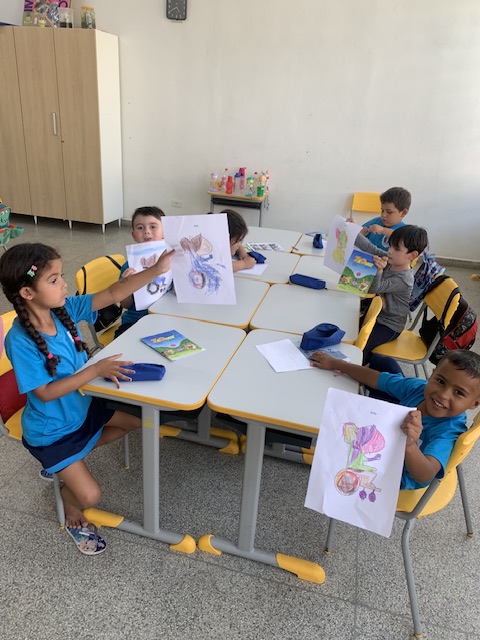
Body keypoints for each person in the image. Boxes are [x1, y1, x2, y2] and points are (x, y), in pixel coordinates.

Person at [0, 242, 173, 554]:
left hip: (83, 408)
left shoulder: (62, 309)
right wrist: (95, 370)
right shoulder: (20, 340)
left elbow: (113, 292)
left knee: (136, 421)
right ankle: (67, 491)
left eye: (62, 276)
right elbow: (45, 393)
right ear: (27, 292)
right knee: (90, 497)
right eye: (54, 280)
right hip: (52, 431)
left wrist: (156, 270)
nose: (64, 284)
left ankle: (66, 463)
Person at [310, 349, 480, 490]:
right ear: (432, 374)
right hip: (385, 446)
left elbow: (425, 475)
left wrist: (410, 446)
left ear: (475, 403)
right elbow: (378, 379)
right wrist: (337, 364)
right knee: (384, 363)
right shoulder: (419, 389)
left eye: (459, 393)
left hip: (396, 476)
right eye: (441, 381)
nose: (443, 394)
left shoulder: (449, 430)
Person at [355, 225, 428, 364]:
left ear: (412, 255)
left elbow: (374, 288)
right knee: (351, 331)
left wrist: (379, 271)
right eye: (390, 246)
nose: (390, 251)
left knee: (362, 347)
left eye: (396, 249)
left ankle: (355, 369)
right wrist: (352, 231)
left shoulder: (404, 279)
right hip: (377, 315)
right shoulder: (392, 260)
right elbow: (370, 248)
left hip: (389, 326)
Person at [115, 205, 173, 338]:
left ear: (165, 231)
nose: (147, 232)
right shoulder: (129, 267)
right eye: (140, 228)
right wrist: (125, 283)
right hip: (135, 321)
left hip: (166, 318)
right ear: (134, 235)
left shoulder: (172, 261)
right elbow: (126, 304)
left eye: (153, 227)